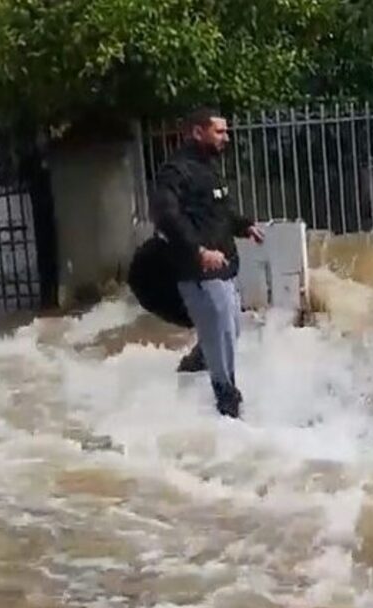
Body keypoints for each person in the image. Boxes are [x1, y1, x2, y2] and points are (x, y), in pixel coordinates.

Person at [150, 106, 264, 417]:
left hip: (224, 266)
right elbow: (165, 216)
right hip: (198, 269)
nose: (226, 137)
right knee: (222, 331)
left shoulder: (209, 168)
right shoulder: (175, 172)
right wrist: (198, 251)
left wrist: (244, 225)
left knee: (231, 330)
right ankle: (226, 398)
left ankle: (195, 365)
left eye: (226, 131)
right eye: (219, 131)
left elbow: (218, 212)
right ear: (198, 132)